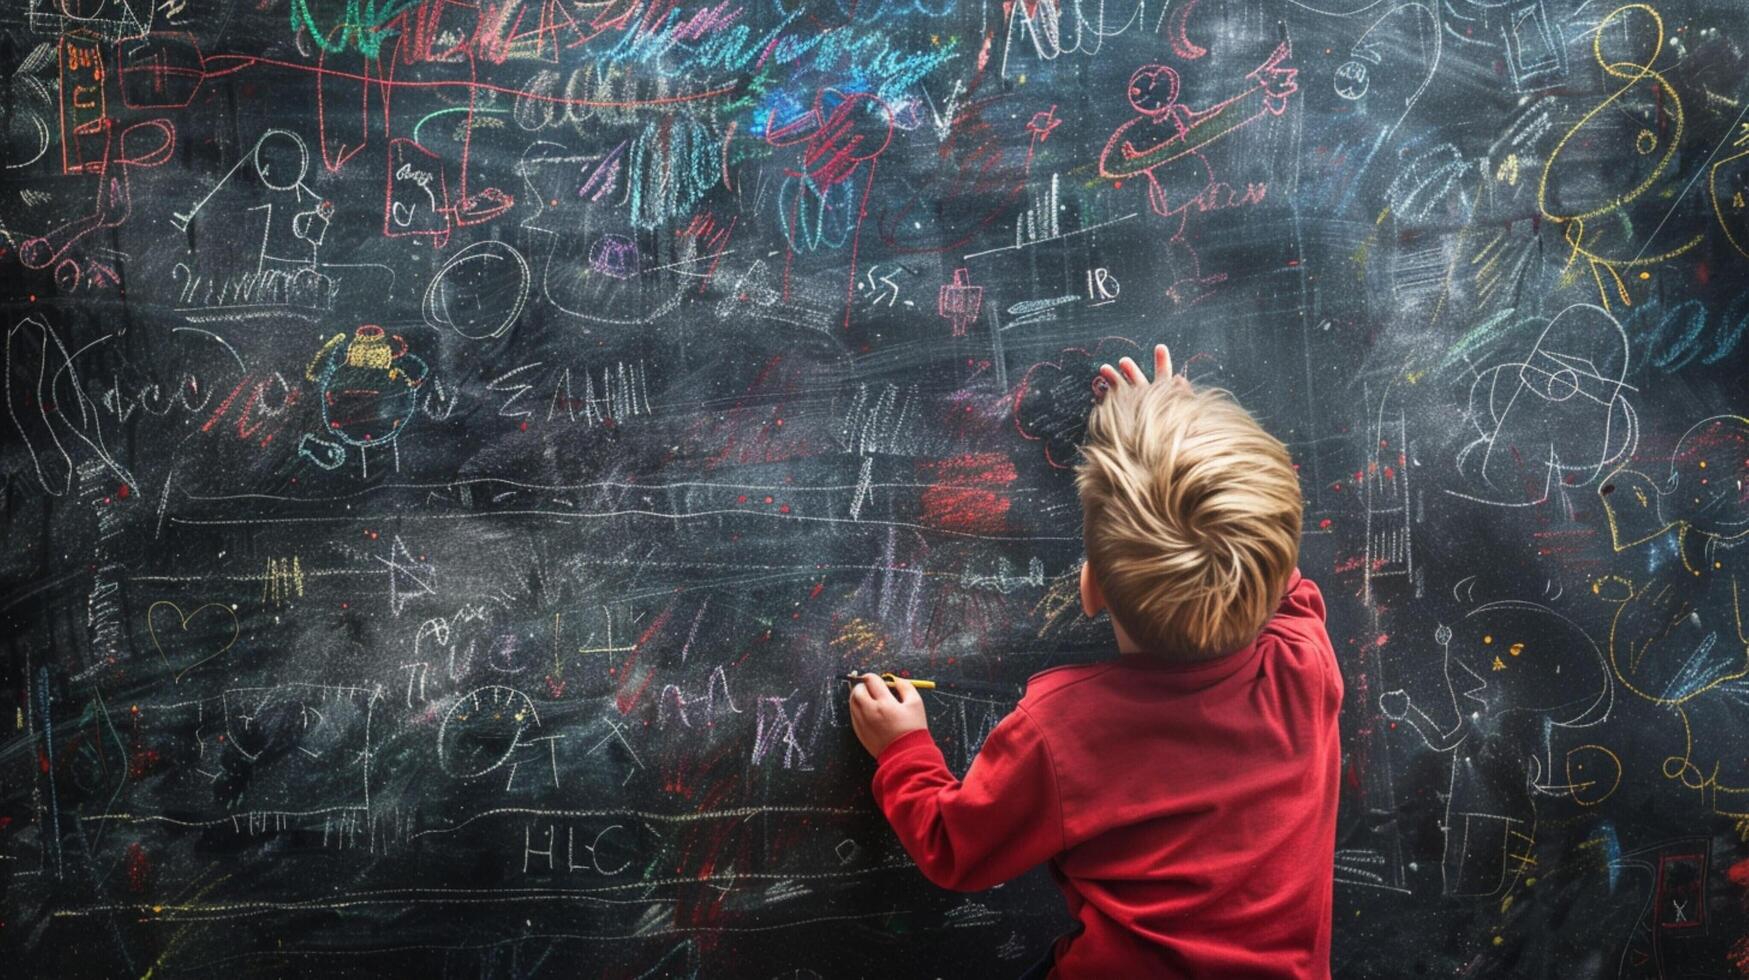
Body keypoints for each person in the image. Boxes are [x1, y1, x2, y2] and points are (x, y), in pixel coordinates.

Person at [848, 344, 1340, 978]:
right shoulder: (1305, 666)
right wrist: (1174, 426)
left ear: (1090, 590)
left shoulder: (1064, 731)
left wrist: (904, 751)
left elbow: (954, 848)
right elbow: (1277, 565)